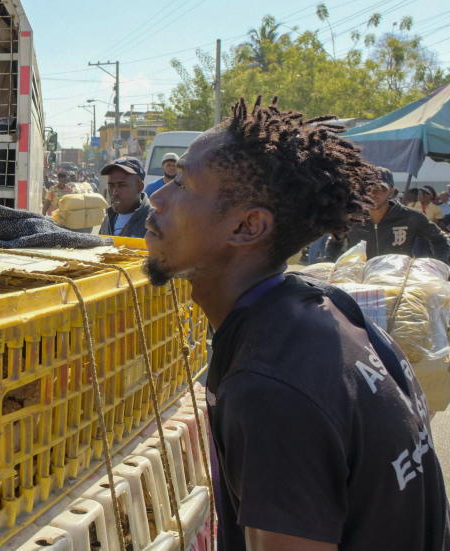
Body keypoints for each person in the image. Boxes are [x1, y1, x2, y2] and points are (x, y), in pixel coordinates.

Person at [144, 97, 449, 551]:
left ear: (248, 227)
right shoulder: (334, 308)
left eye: (181, 184)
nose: (157, 196)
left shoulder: (269, 388)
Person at [326, 167, 450, 263]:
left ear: (392, 192)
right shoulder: (350, 218)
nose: (374, 193)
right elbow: (335, 243)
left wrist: (440, 265)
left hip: (397, 283)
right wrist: (331, 267)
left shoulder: (411, 217)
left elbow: (439, 239)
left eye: (381, 188)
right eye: (369, 188)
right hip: (359, 283)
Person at [98, 156, 151, 237]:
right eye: (111, 185)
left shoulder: (154, 222)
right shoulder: (108, 219)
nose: (115, 192)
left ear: (139, 187)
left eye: (122, 185)